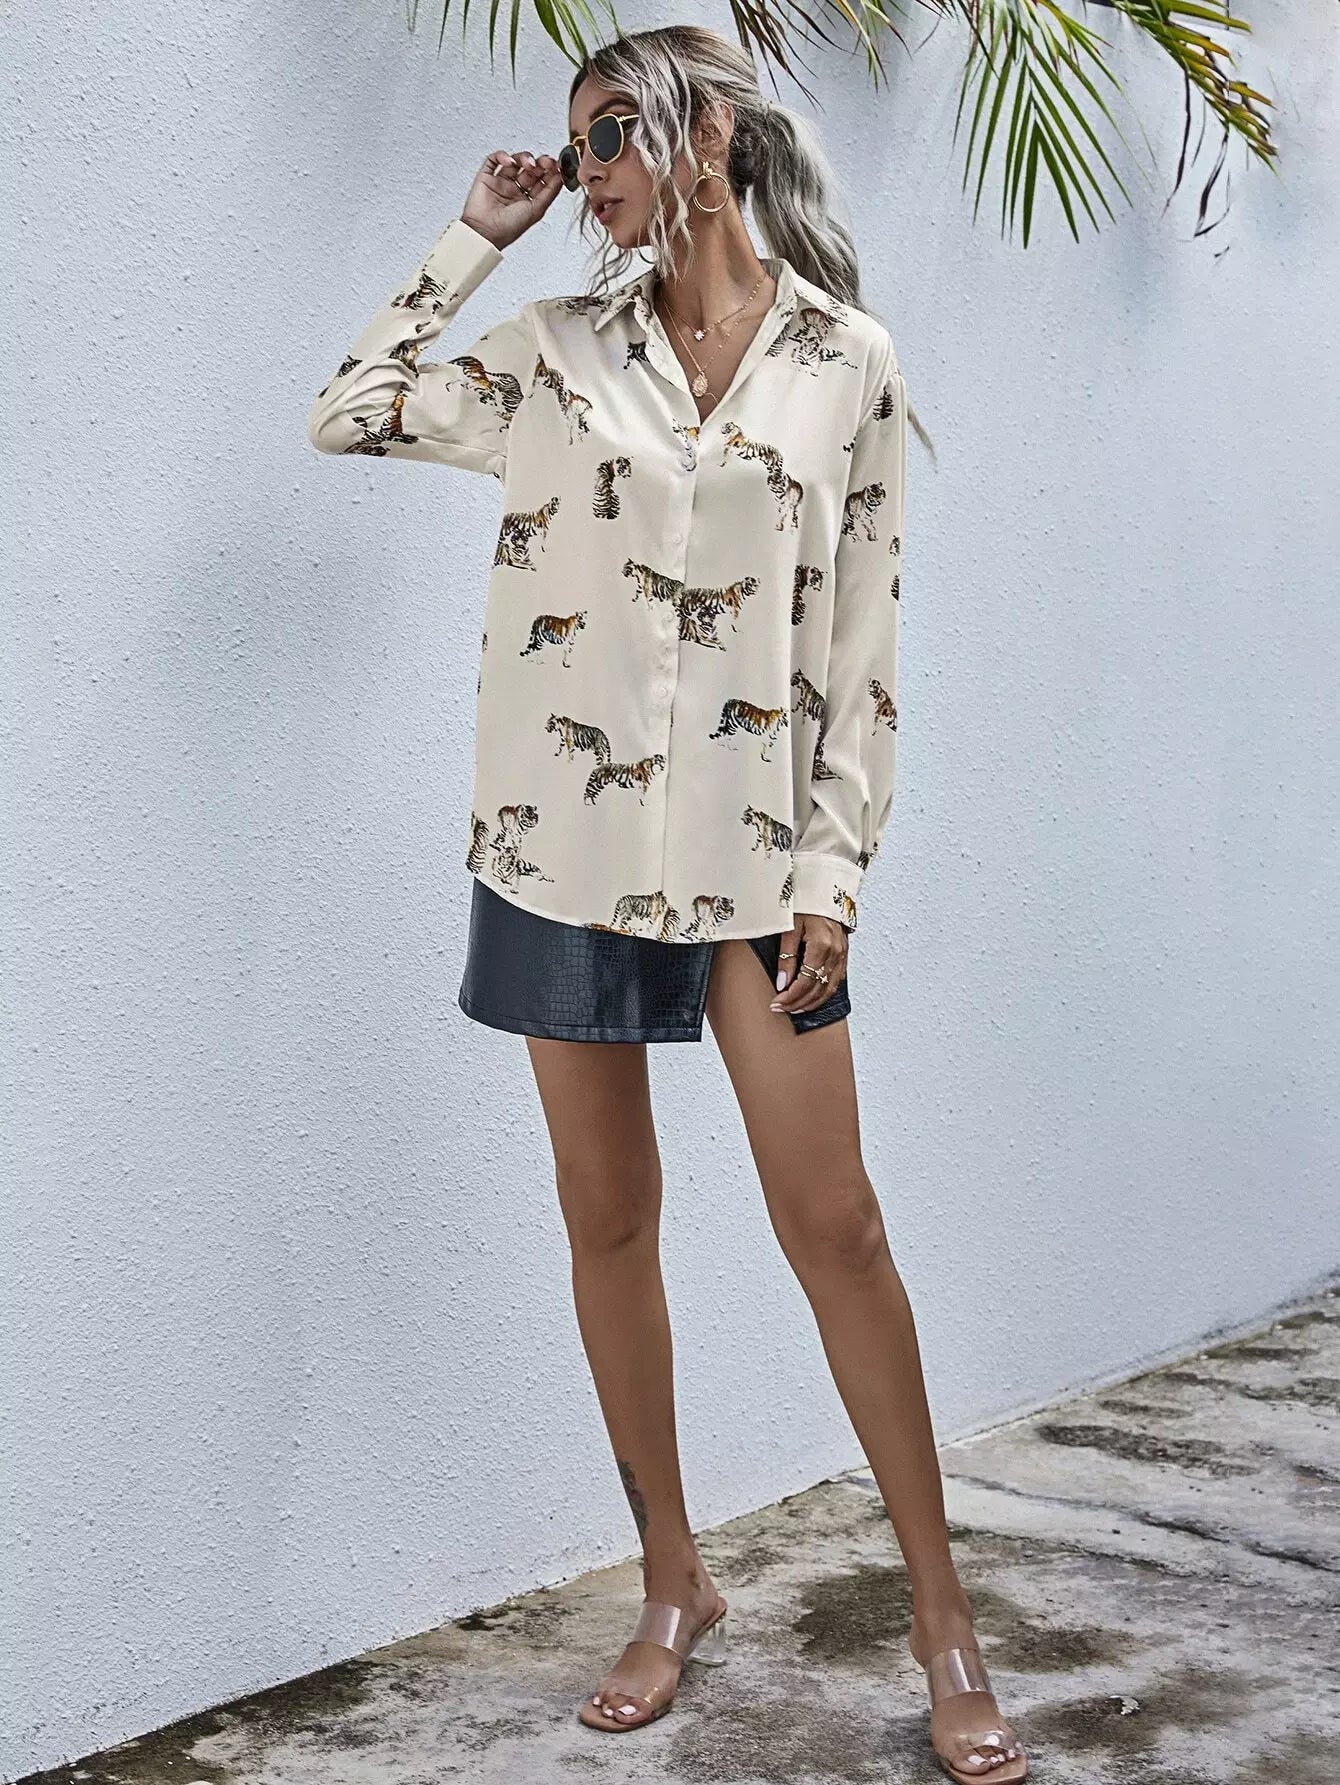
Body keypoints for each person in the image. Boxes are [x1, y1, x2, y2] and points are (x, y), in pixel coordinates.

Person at [307, 22, 1026, 1781]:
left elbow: (861, 651)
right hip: (560, 852)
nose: (592, 174)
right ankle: (673, 1577)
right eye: (577, 149)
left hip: (758, 864)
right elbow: (352, 407)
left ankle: (942, 1613)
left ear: (708, 134)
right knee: (607, 1218)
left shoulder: (845, 364)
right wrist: (476, 236)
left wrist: (835, 873)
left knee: (835, 1225)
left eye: (613, 134)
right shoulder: (555, 353)